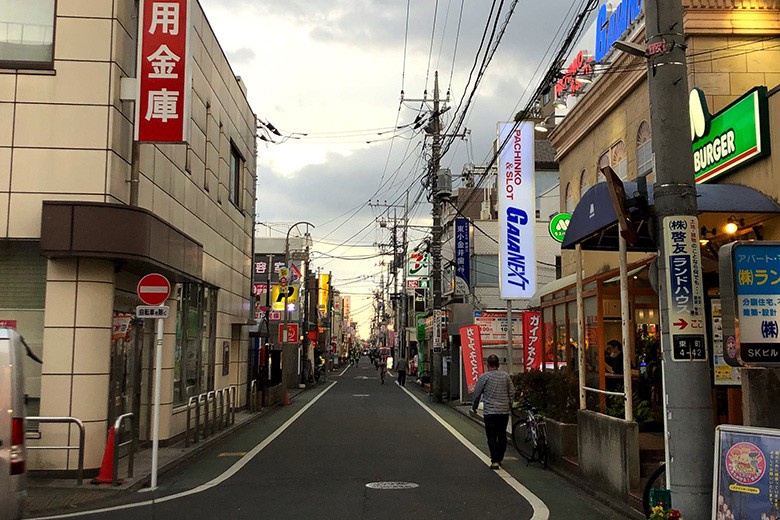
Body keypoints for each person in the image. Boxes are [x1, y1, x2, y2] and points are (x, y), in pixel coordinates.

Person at [471, 354, 513, 469]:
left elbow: (477, 394)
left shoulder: (484, 377)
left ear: (487, 365)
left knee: (491, 436)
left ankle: (495, 460)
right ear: (498, 365)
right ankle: (500, 457)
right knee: (502, 434)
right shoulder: (506, 376)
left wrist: (474, 406)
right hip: (503, 411)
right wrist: (509, 405)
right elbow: (511, 392)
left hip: (490, 411)